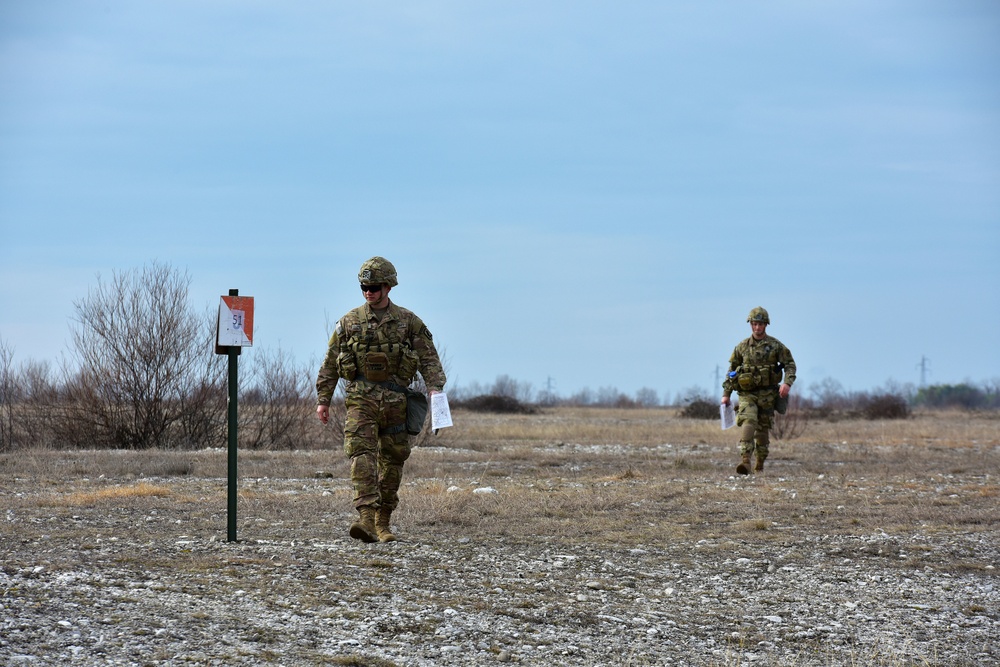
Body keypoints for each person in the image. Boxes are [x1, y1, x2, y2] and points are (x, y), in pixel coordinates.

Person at [316, 257, 446, 543]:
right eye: (364, 286)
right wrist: (323, 399)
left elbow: (428, 358)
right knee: (361, 453)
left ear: (388, 287)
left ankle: (383, 522)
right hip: (361, 400)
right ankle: (365, 518)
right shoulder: (348, 322)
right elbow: (329, 363)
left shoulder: (409, 322)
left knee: (393, 460)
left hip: (397, 402)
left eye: (374, 286)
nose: (368, 292)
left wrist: (435, 389)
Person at [721, 307, 796, 475]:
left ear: (766, 325)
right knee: (748, 421)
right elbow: (731, 371)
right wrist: (726, 395)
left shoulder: (776, 346)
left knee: (762, 430)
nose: (757, 327)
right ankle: (745, 460)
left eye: (760, 324)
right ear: (750, 325)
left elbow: (790, 365)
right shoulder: (741, 347)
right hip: (747, 394)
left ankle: (759, 463)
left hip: (768, 396)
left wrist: (787, 383)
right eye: (754, 324)